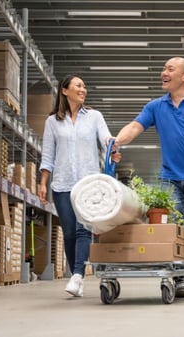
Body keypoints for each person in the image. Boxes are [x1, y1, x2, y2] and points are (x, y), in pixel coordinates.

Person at [109, 56, 184, 297]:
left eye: (170, 69)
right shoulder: (155, 106)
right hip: (170, 177)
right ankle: (179, 275)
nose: (164, 72)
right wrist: (116, 140)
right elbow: (134, 127)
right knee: (171, 226)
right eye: (163, 68)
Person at [38, 74, 120, 297]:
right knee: (69, 233)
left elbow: (106, 138)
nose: (83, 90)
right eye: (79, 86)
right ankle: (77, 275)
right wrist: (43, 183)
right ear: (65, 91)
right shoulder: (52, 121)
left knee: (83, 229)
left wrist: (112, 149)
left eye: (84, 86)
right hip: (62, 184)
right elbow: (48, 155)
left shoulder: (94, 116)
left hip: (88, 184)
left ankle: (77, 275)